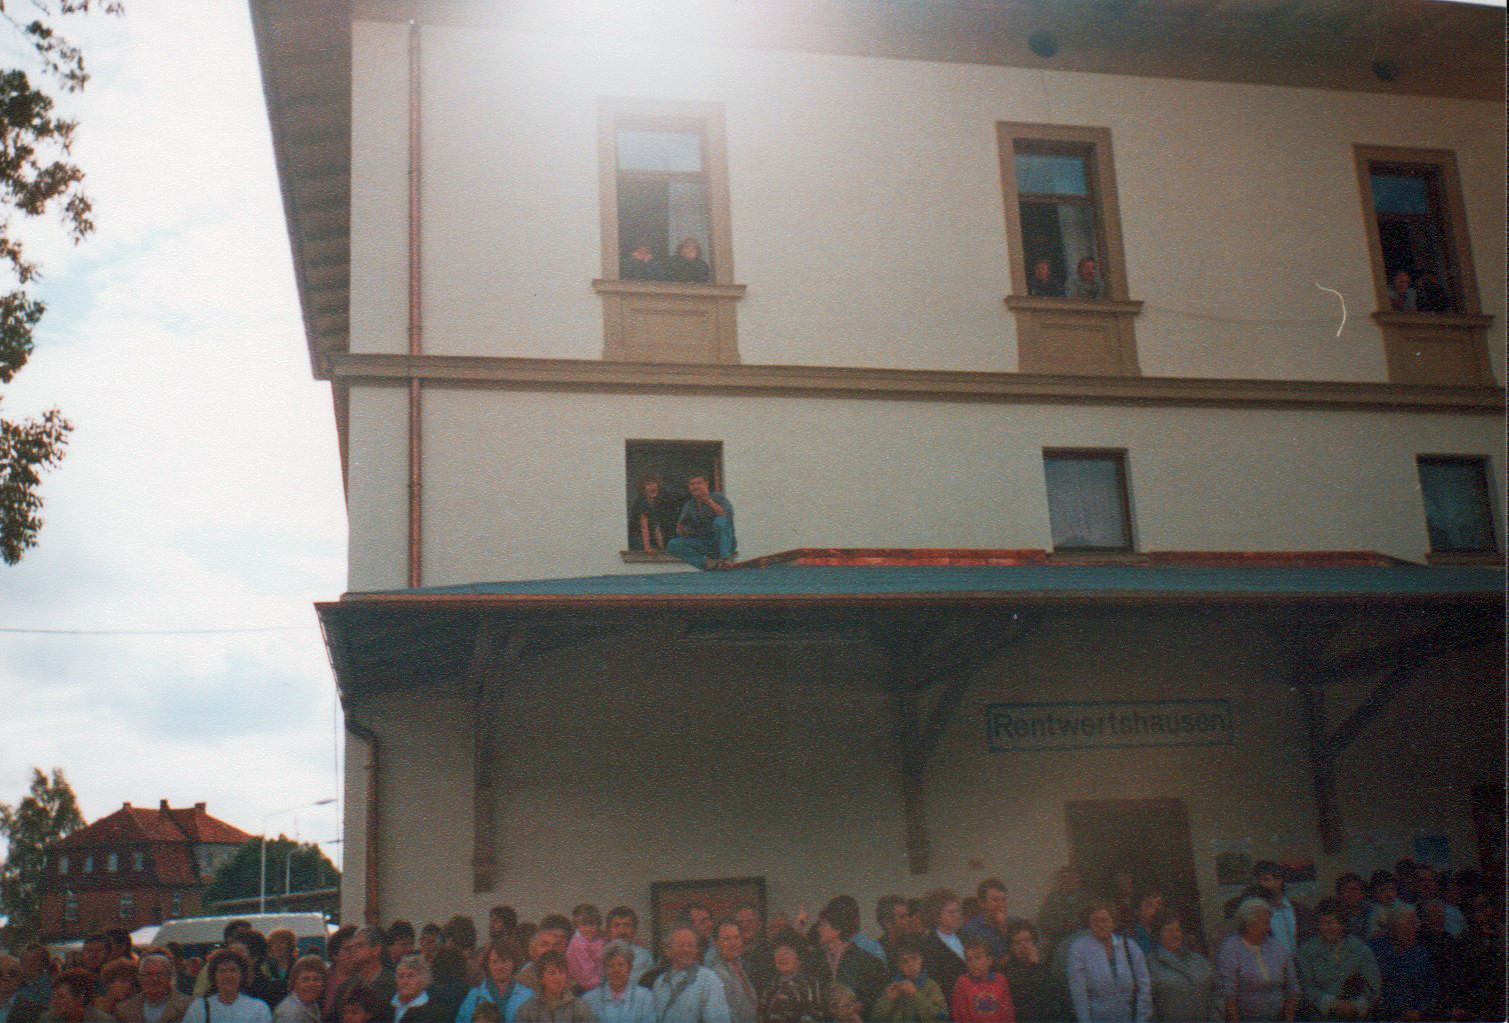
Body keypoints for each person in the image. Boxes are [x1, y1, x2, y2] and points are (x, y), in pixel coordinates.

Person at [1294, 899, 1379, 1022]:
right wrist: (1332, 1004)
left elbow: (1373, 987)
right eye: (1322, 923)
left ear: (1343, 924)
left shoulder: (1361, 950)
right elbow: (1305, 987)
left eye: (1331, 923)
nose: (1326, 928)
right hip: (1319, 1017)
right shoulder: (1306, 952)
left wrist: (1356, 1006)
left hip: (1355, 1017)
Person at [1215, 898, 1297, 1022]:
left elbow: (1292, 986)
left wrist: (1288, 1019)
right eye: (1265, 923)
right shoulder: (1230, 949)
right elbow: (1228, 995)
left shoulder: (1276, 946)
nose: (1269, 928)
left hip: (1279, 1017)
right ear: (1249, 926)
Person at [1068, 901, 1150, 1023]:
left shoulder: (1129, 946)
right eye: (1095, 921)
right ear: (1089, 924)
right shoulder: (1079, 949)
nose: (1101, 925)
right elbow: (1078, 993)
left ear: (1113, 922)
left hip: (1128, 1017)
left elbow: (1144, 985)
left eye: (1105, 920)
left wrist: (1141, 1018)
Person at [812, 901, 888, 1014]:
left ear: (837, 929)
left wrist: (856, 1007)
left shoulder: (866, 960)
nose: (818, 929)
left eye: (823, 924)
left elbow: (876, 996)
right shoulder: (816, 959)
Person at [1144, 911, 1216, 1023]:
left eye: (1177, 930)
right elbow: (1146, 1004)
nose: (1175, 935)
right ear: (1158, 934)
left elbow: (1217, 990)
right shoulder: (1149, 964)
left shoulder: (1198, 960)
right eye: (1169, 930)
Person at [1367, 906, 1437, 1022]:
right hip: (1380, 1014)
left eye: (1414, 925)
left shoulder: (1421, 953)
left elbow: (1431, 987)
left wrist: (1420, 1010)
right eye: (1408, 924)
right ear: (1393, 926)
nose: (1412, 929)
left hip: (1413, 1015)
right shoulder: (1374, 949)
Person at [652, 925, 731, 1023]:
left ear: (697, 950)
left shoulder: (709, 979)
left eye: (690, 945)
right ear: (668, 951)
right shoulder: (659, 983)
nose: (686, 950)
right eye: (681, 945)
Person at [1000, 922, 1066, 1023]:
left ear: (1034, 942)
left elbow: (1053, 995)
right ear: (1011, 948)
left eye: (1027, 940)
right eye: (1017, 943)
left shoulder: (1045, 965)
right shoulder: (1008, 972)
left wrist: (1035, 963)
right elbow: (1030, 996)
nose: (1023, 946)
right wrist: (1034, 964)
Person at [667, 473, 736, 571]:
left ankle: (726, 558)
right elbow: (684, 531)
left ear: (706, 484)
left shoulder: (718, 498)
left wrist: (708, 500)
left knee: (720, 521)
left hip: (723, 542)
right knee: (673, 544)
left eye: (699, 483)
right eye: (692, 484)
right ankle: (708, 563)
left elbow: (725, 517)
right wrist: (681, 530)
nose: (695, 486)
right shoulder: (689, 505)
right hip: (705, 543)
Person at [870, 936, 946, 1023]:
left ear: (921, 959)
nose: (911, 965)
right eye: (904, 961)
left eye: (914, 959)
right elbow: (875, 1018)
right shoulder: (893, 987)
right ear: (899, 965)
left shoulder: (931, 986)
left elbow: (941, 1018)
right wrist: (889, 1001)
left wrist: (915, 994)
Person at [181, 950, 271, 1023]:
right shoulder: (199, 1008)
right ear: (214, 976)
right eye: (222, 971)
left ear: (241, 975)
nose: (228, 976)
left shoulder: (258, 1008)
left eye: (233, 970)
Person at [458, 939, 532, 1023]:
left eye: (504, 961)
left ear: (514, 963)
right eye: (494, 962)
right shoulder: (475, 994)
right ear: (488, 964)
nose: (499, 967)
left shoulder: (527, 995)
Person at [756, 932, 822, 1023]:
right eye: (778, 952)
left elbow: (812, 1017)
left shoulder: (807, 983)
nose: (781, 957)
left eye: (787, 952)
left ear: (798, 956)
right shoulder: (771, 982)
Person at [1249, 861, 1313, 956]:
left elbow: (1309, 941)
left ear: (1279, 880)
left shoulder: (1300, 910)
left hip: (1300, 962)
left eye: (1266, 880)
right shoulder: (1256, 914)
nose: (1262, 885)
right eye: (1259, 881)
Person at [581, 942, 653, 1023]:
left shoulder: (645, 997)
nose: (616, 970)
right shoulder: (590, 999)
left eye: (621, 965)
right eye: (610, 966)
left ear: (630, 968)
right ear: (604, 970)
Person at [949, 935, 1014, 1023]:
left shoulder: (1000, 980)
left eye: (978, 958)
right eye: (969, 959)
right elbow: (959, 1013)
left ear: (989, 960)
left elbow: (1008, 1012)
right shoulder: (963, 982)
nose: (973, 963)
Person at [919, 889, 967, 1000]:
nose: (957, 916)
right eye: (951, 912)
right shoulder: (928, 945)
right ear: (936, 916)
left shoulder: (967, 936)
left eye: (958, 911)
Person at [334, 928, 395, 1015]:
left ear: (376, 950)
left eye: (359, 946)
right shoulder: (345, 988)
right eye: (352, 947)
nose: (353, 950)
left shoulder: (394, 984)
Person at [1037, 866, 1089, 965]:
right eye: (1066, 878)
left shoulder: (1086, 899)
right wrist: (1061, 925)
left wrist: (1078, 925)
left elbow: (1092, 919)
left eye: (1073, 878)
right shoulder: (1052, 899)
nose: (1070, 881)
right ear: (1061, 881)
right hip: (1058, 942)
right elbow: (1043, 921)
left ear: (1078, 880)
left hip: (1082, 940)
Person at [707, 921, 757, 1023]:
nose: (733, 943)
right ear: (716, 943)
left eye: (736, 938)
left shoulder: (740, 966)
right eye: (727, 939)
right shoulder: (715, 974)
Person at [960, 879, 1013, 961]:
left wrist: (1004, 928)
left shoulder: (1016, 923)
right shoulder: (971, 930)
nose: (1001, 905)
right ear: (981, 903)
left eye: (1003, 900)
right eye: (995, 900)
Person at [603, 909, 654, 988]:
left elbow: (627, 984)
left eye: (627, 925)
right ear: (608, 930)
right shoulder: (600, 951)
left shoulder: (642, 956)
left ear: (634, 930)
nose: (622, 931)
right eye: (616, 925)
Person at [389, 955, 447, 1023]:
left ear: (424, 980)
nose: (405, 981)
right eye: (401, 976)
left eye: (411, 976)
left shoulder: (435, 1013)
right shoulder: (385, 1004)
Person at [40, 969, 107, 1023]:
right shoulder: (47, 1019)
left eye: (61, 997)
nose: (54, 1001)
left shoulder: (102, 1021)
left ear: (80, 998)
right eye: (54, 996)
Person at [269, 958, 325, 1023]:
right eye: (305, 979)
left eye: (316, 979)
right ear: (294, 983)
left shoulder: (311, 1005)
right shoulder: (289, 1013)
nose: (311, 984)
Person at [629, 476, 675, 553]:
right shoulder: (641, 502)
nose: (652, 486)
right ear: (643, 489)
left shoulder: (659, 501)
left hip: (651, 536)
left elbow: (657, 526)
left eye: (653, 483)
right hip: (637, 537)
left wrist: (662, 548)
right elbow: (644, 527)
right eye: (648, 484)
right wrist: (647, 548)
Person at [565, 905, 606, 993]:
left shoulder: (598, 938)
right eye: (584, 925)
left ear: (598, 925)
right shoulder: (578, 944)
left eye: (592, 924)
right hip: (585, 984)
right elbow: (586, 969)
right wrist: (600, 986)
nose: (588, 929)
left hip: (601, 979)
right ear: (577, 926)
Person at [1, 954, 45, 1023]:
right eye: (0, 973)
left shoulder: (32, 1010)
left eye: (11, 973)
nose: (5, 977)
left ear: (19, 979)